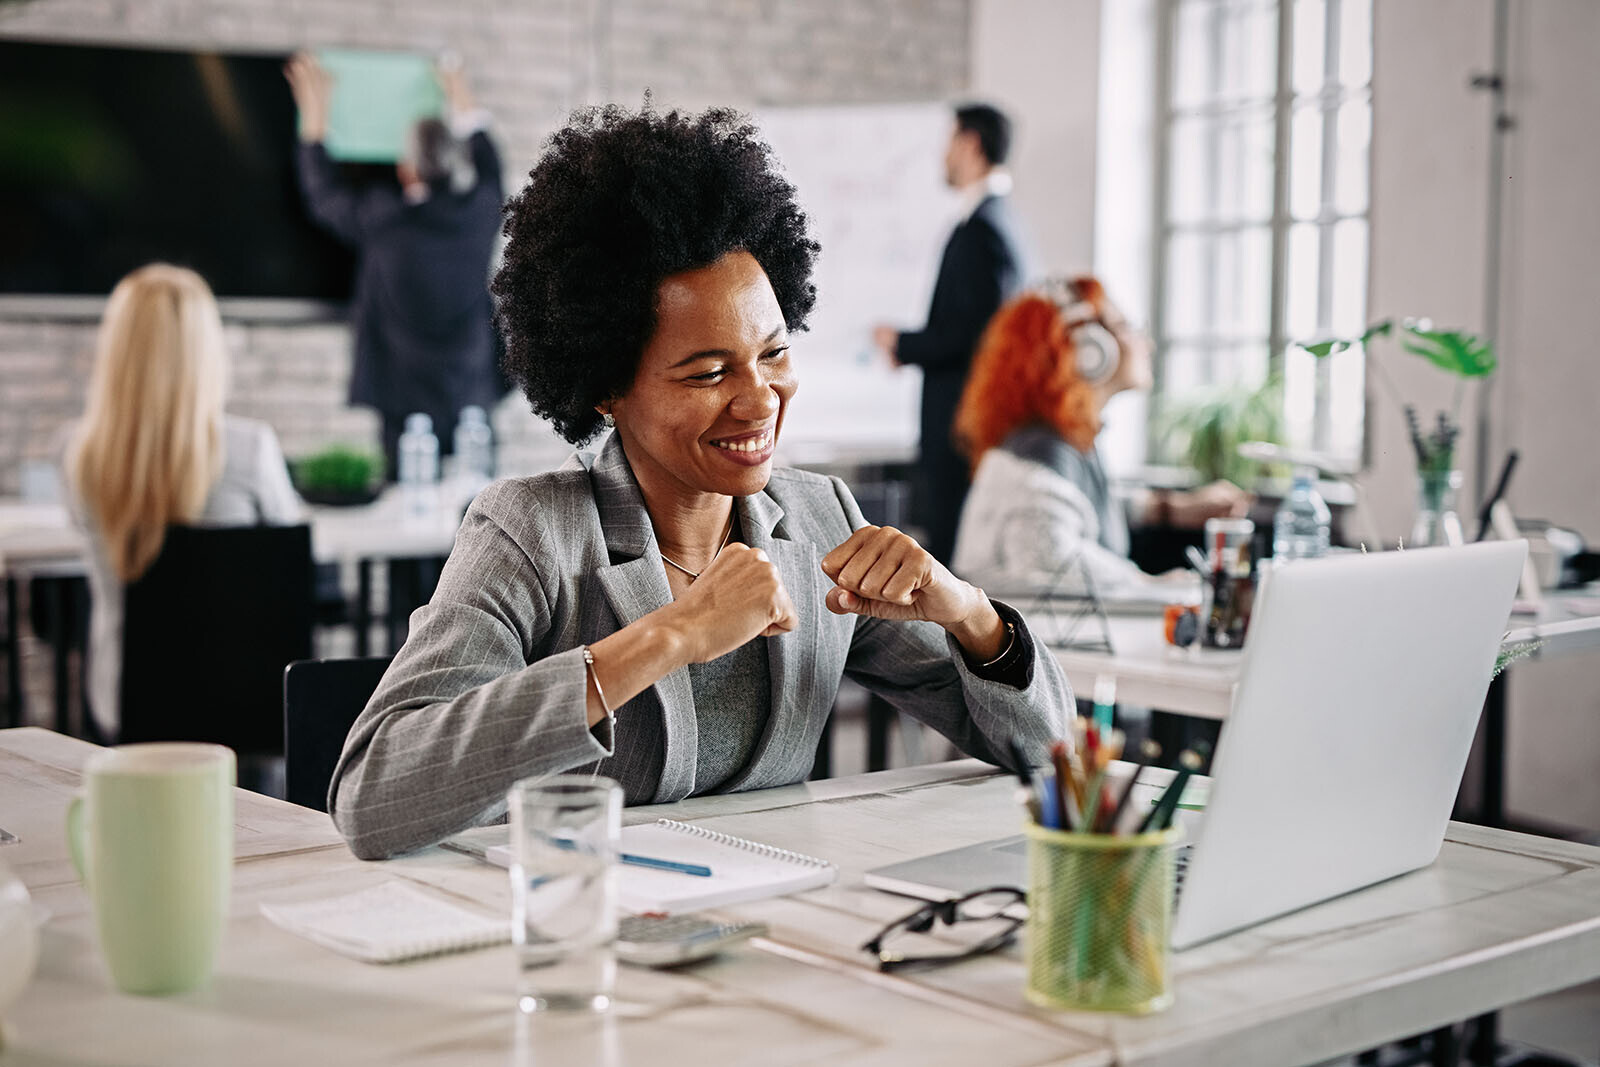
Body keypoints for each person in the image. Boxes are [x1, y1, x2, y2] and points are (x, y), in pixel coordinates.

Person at [328, 105, 1074, 860]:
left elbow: (1051, 753)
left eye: (774, 354)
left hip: (776, 934)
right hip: (583, 941)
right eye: (710, 372)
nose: (759, 399)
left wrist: (970, 614)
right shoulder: (529, 532)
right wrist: (670, 633)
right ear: (607, 386)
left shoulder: (819, 519)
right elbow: (373, 794)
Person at [64, 264, 302, 740]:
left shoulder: (81, 457)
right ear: (205, 350)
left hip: (122, 701)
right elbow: (293, 557)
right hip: (241, 699)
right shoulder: (250, 449)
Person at [950, 277, 1251, 597]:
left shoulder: (1059, 441)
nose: (1144, 343)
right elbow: (1053, 557)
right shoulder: (1040, 452)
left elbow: (1076, 507)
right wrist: (1154, 587)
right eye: (1126, 326)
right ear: (1088, 349)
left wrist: (1170, 508)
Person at [284, 53, 505, 480]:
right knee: (481, 519)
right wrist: (456, 85)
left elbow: (322, 193)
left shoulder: (384, 220)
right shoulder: (480, 212)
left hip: (401, 405)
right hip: (471, 395)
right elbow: (490, 160)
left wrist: (315, 114)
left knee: (408, 520)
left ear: (406, 170)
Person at [873, 102, 1026, 566]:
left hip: (960, 424)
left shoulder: (986, 228)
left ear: (970, 144)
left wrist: (902, 343)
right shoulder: (994, 221)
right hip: (963, 418)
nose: (943, 155)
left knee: (950, 553)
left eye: (949, 141)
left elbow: (976, 334)